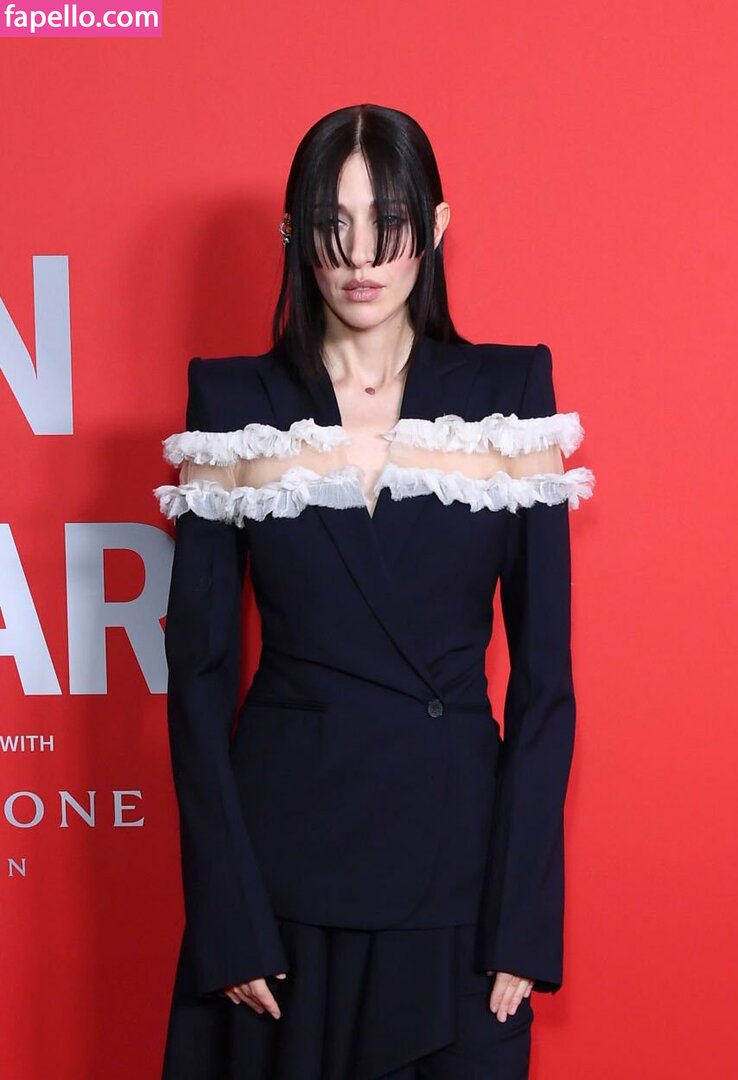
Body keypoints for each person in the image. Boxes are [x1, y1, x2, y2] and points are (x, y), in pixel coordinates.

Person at [155, 103, 595, 1080]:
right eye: (334, 223)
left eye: (388, 221)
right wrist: (227, 918)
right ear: (294, 233)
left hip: (458, 893)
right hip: (279, 897)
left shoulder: (511, 396)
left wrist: (523, 922)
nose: (361, 255)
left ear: (435, 227)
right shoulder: (233, 404)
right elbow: (198, 679)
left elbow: (545, 682)